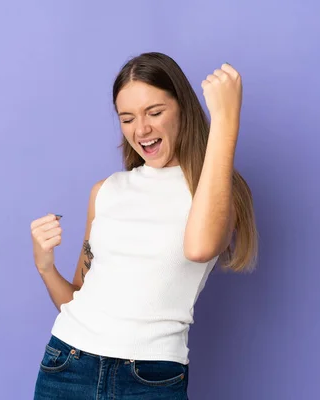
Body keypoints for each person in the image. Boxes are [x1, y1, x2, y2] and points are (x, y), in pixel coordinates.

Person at [30, 52, 258, 399]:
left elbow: (199, 248)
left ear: (183, 107)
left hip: (150, 378)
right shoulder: (106, 192)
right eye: (127, 118)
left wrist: (226, 119)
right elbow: (78, 298)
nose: (142, 129)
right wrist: (46, 268)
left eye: (155, 112)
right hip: (67, 366)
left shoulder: (214, 192)